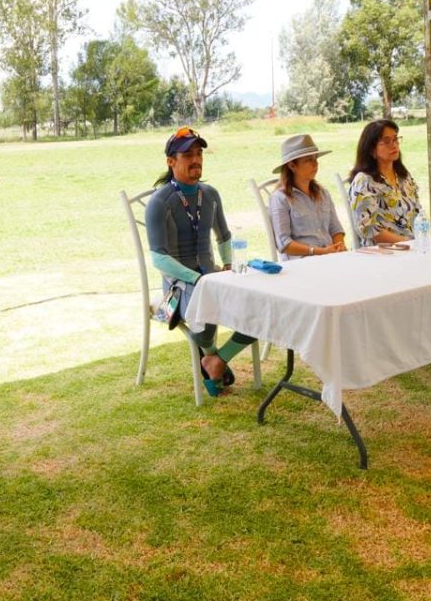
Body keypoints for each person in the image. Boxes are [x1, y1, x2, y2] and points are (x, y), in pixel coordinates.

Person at [145, 126, 257, 397]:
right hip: (180, 286)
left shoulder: (210, 194)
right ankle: (210, 355)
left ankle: (215, 360)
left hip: (212, 276)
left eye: (199, 153)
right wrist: (198, 279)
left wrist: (228, 265)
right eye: (187, 155)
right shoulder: (160, 202)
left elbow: (224, 237)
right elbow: (159, 258)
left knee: (260, 304)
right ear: (171, 162)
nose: (196, 159)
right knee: (203, 303)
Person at [269, 134, 347, 260]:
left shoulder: (323, 193)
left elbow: (336, 229)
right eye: (308, 160)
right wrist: (318, 252)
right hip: (301, 263)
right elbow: (284, 243)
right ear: (292, 166)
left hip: (328, 257)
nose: (315, 164)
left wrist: (339, 246)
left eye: (315, 158)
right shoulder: (280, 198)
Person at [347, 120, 423, 245]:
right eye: (386, 141)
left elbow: (418, 213)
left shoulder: (403, 176)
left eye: (395, 139)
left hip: (411, 246)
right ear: (371, 150)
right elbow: (368, 228)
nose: (394, 145)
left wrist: (420, 241)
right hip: (383, 252)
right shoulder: (364, 181)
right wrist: (407, 243)